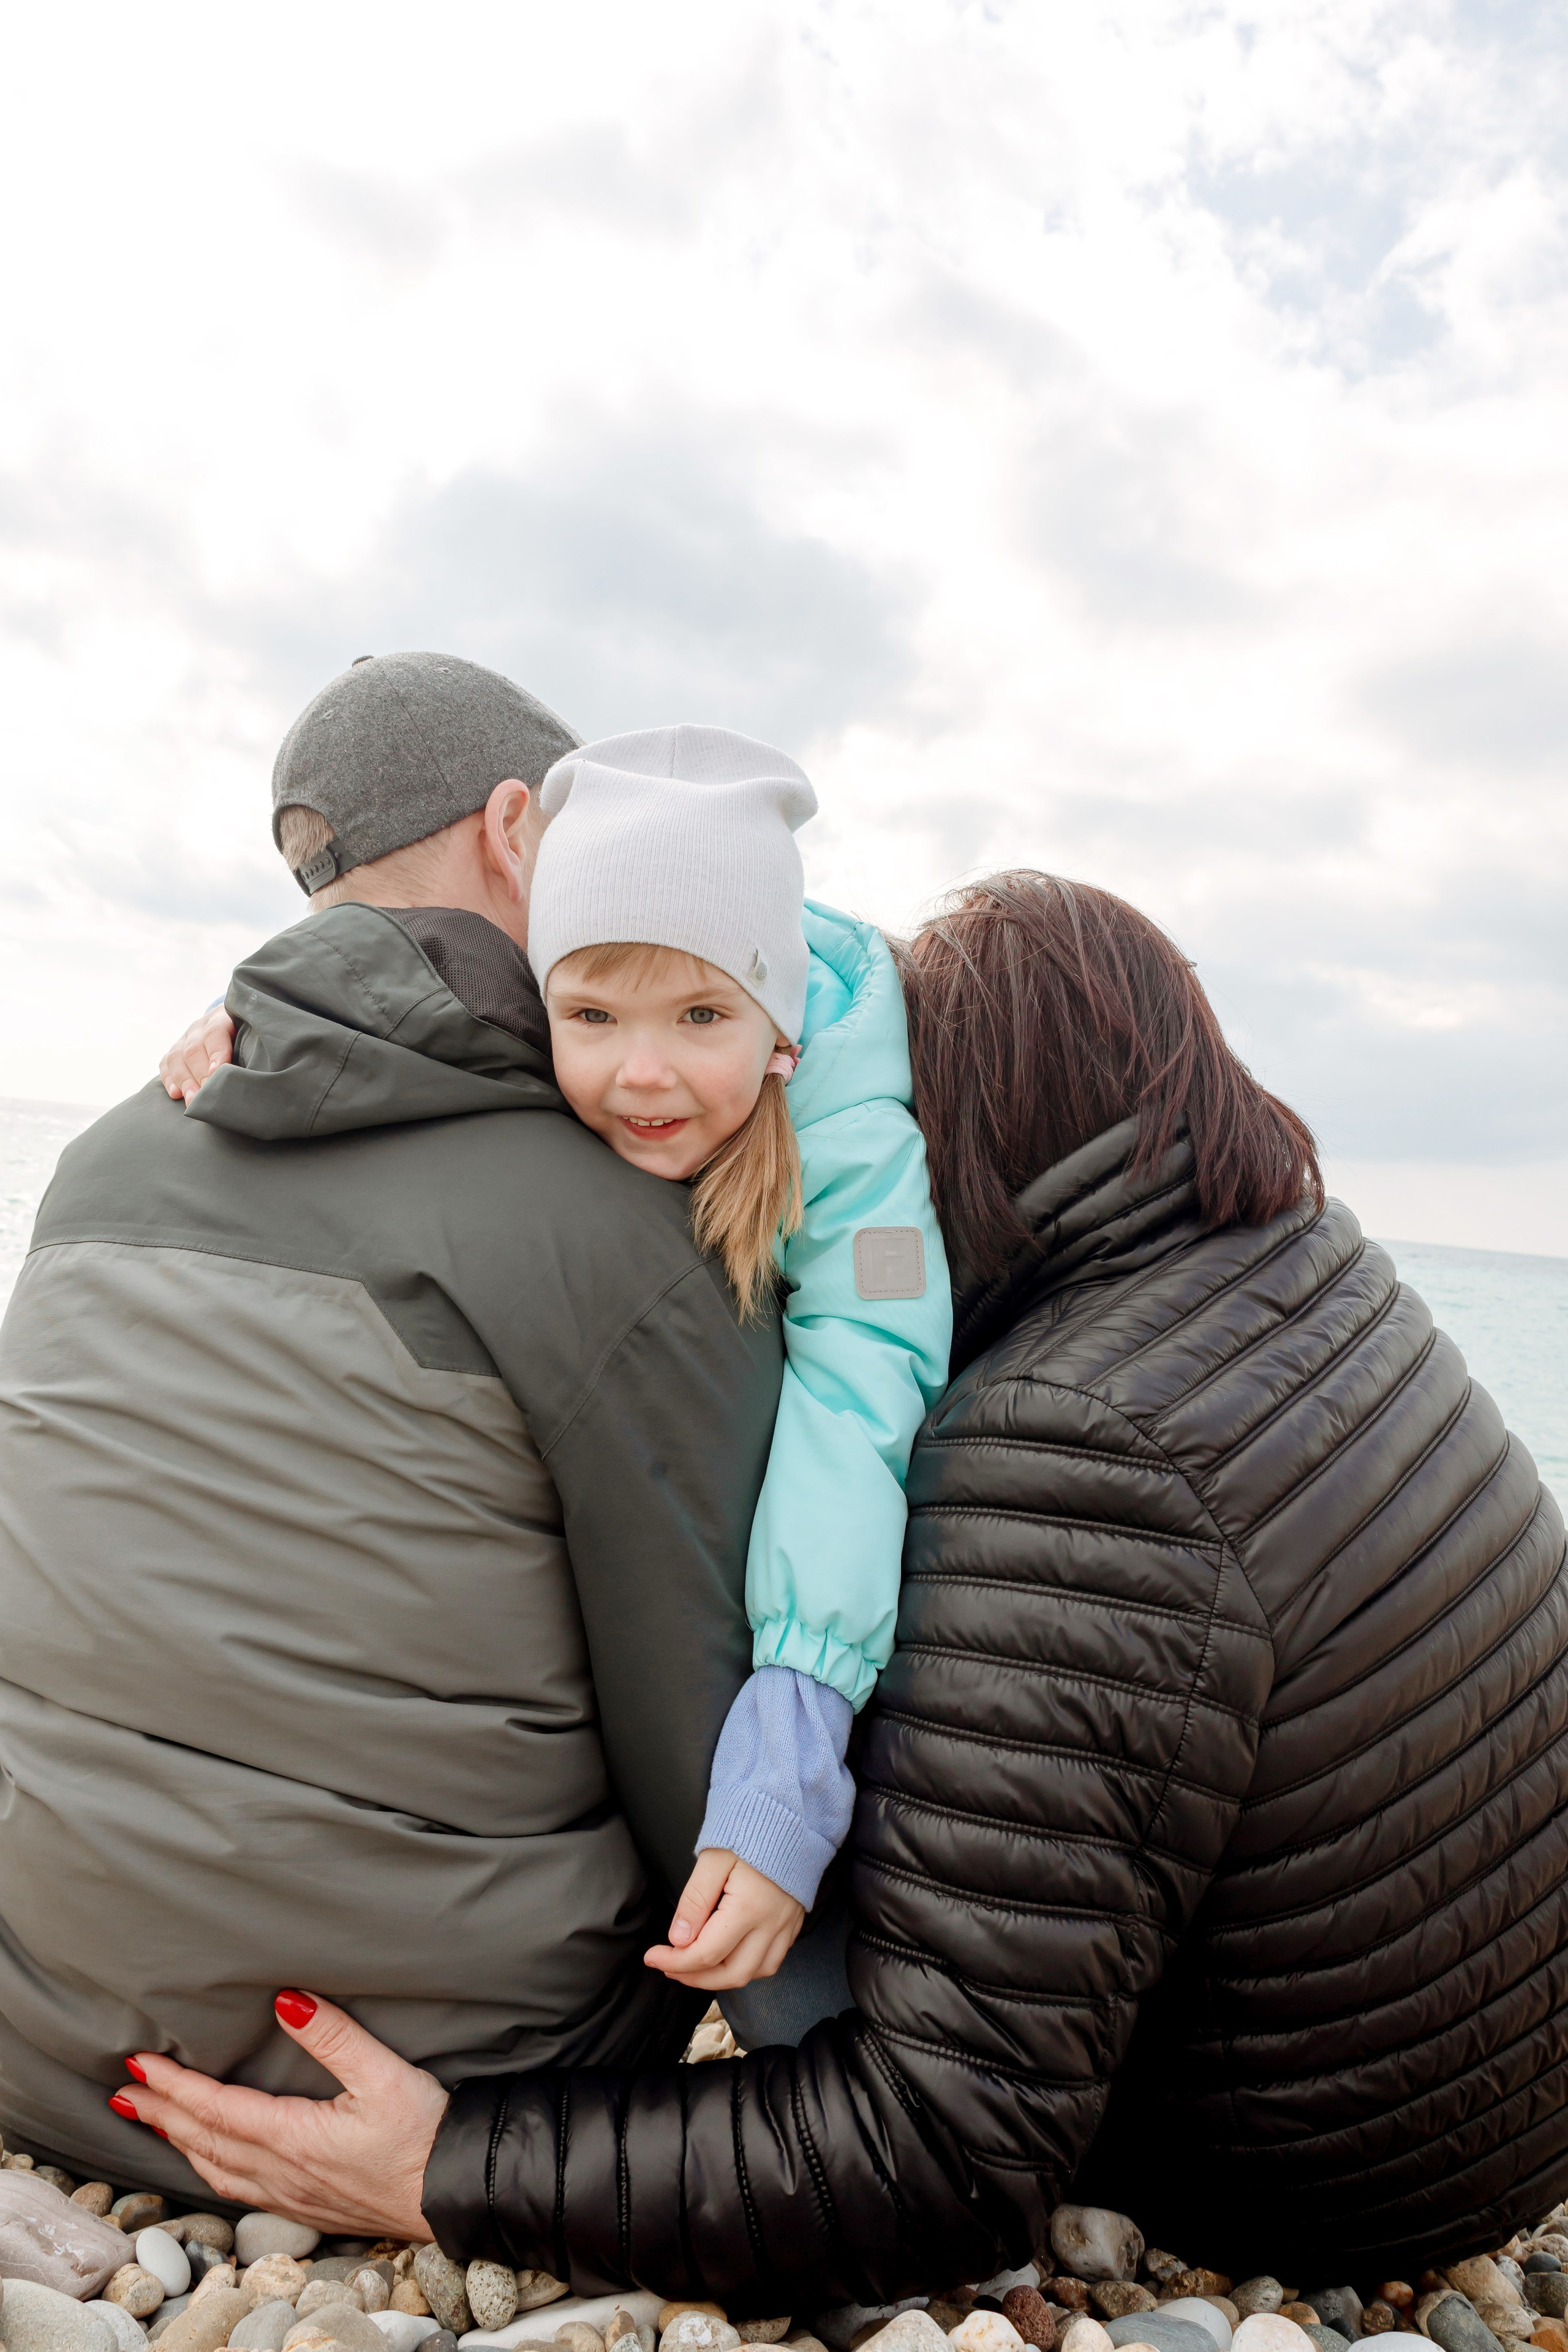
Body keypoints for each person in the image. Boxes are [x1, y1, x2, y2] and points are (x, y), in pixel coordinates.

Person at [123, 870, 1568, 2293]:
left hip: (1324, 2181)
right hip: (1507, 2103)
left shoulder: (1073, 1443)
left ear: (952, 1124)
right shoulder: (1308, 1268)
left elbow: (941, 2149)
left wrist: (447, 2167)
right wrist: (278, 1003)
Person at [0, 652, 783, 2203]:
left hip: (35, 2028)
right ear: (516, 830)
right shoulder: (602, 1224)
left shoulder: (99, 1159)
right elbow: (703, 1727)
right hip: (437, 2081)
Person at [526, 725, 950, 2009]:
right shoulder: (569, 1035)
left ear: (775, 1028)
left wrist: (795, 1735)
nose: (640, 1071)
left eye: (700, 1014)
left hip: (841, 1588)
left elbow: (864, 1382)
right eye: (591, 1014)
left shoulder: (855, 1142)